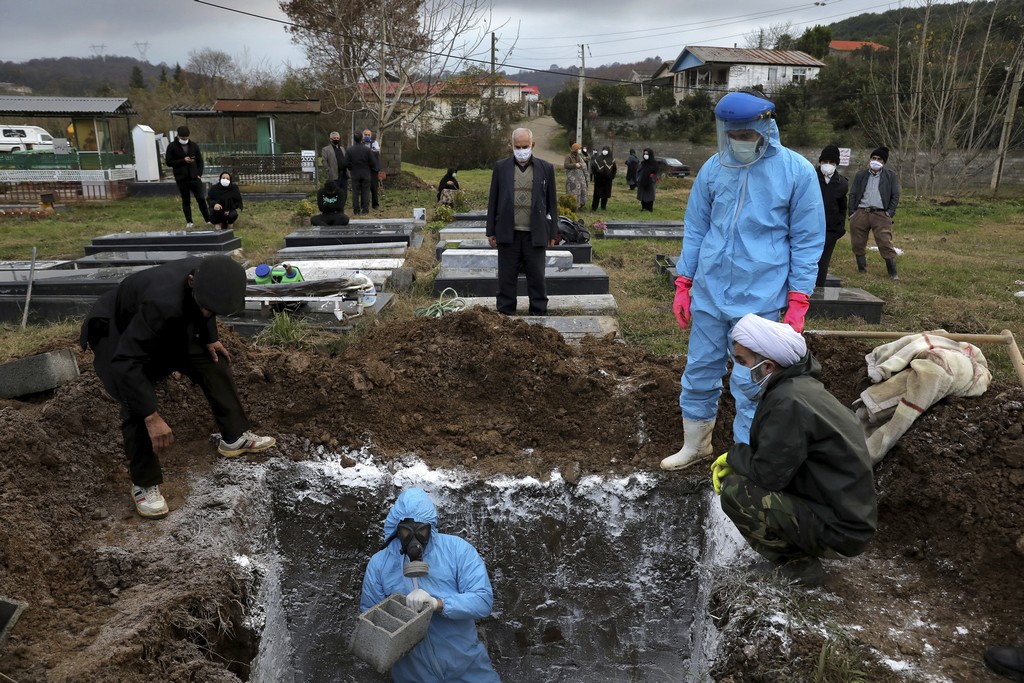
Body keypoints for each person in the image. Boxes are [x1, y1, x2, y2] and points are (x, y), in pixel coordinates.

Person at [662, 90, 825, 471]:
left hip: (761, 294)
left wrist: (799, 298)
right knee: (700, 367)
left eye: (746, 135)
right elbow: (697, 228)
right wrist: (684, 282)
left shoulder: (796, 172)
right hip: (710, 290)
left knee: (752, 381)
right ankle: (697, 444)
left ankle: (744, 458)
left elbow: (807, 240)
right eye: (732, 135)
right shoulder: (713, 169)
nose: (739, 142)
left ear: (766, 128)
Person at [79, 255, 276, 520]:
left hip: (165, 321)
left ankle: (234, 437)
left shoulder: (208, 276)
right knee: (134, 398)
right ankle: (144, 483)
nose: (209, 313)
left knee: (213, 362)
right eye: (206, 308)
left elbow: (207, 308)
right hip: (116, 330)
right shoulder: (162, 302)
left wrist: (210, 337)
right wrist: (151, 415)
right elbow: (127, 361)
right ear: (192, 282)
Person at [710, 314, 877, 587]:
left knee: (736, 492)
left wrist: (734, 457)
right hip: (843, 516)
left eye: (742, 361)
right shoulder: (799, 388)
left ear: (768, 366)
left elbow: (768, 476)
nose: (737, 368)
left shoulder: (788, 402)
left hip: (839, 529)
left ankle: (798, 567)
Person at [360, 488, 500, 682]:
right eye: (406, 531)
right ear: (396, 529)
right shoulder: (380, 564)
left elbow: (483, 600)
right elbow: (370, 620)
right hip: (414, 676)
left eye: (422, 530)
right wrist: (396, 619)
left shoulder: (457, 551)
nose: (414, 539)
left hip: (468, 671)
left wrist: (438, 604)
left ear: (431, 528)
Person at [486, 127, 558, 316]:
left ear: (532, 145)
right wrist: (490, 231)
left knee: (537, 278)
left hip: (535, 234)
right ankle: (505, 313)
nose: (521, 150)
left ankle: (539, 313)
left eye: (525, 146)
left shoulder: (546, 168)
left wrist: (552, 233)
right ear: (512, 146)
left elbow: (552, 203)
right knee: (506, 278)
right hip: (508, 233)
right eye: (517, 146)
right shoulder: (501, 167)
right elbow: (493, 200)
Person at [848, 146, 901, 280]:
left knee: (885, 242)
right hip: (861, 212)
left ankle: (893, 273)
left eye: (879, 159)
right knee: (858, 243)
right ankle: (862, 270)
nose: (875, 161)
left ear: (883, 162)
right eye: (873, 158)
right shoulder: (861, 175)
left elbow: (895, 195)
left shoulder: (890, 176)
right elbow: (853, 193)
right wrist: (852, 213)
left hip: (881, 214)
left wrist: (889, 213)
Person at [815, 145, 848, 287]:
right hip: (810, 228)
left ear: (836, 165)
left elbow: (843, 207)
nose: (828, 165)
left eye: (832, 163)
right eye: (825, 162)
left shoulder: (842, 183)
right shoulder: (810, 177)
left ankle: (819, 291)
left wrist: (839, 228)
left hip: (830, 231)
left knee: (823, 263)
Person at [164, 125, 210, 228]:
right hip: (182, 178)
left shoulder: (194, 146)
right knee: (186, 200)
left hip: (194, 177)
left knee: (201, 199)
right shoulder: (172, 146)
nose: (185, 140)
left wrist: (199, 174)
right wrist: (183, 160)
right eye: (183, 138)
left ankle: (208, 219)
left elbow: (200, 160)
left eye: (186, 138)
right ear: (178, 136)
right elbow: (168, 162)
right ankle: (189, 221)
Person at [347, 131, 379, 215]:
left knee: (355, 193)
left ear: (354, 139)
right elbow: (373, 163)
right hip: (366, 173)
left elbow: (346, 163)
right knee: (365, 192)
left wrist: (351, 168)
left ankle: (356, 210)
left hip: (355, 173)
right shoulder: (367, 150)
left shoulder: (350, 150)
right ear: (362, 138)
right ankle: (365, 210)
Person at [320, 131, 349, 210]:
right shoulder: (326, 149)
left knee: (344, 193)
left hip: (344, 175)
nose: (336, 139)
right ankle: (334, 208)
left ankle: (341, 207)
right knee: (335, 192)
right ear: (330, 139)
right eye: (334, 138)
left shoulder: (342, 149)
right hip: (334, 175)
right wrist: (328, 170)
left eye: (337, 138)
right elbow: (324, 161)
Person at [590, 146, 617, 211]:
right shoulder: (598, 159)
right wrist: (595, 174)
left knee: (605, 194)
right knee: (597, 194)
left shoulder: (612, 160)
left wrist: (612, 176)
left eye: (606, 150)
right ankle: (594, 208)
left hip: (608, 180)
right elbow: (593, 166)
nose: (605, 151)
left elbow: (614, 169)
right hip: (599, 180)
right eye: (603, 150)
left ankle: (603, 207)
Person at [563, 142, 588, 211]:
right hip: (572, 179)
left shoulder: (578, 156)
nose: (579, 150)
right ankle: (572, 206)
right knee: (572, 192)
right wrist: (575, 165)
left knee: (580, 191)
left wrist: (580, 165)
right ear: (575, 149)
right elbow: (566, 165)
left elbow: (583, 164)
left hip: (579, 178)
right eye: (578, 149)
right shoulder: (568, 156)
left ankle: (579, 205)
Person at [363, 129, 382, 210]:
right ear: (363, 135)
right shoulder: (360, 144)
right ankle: (365, 204)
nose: (367, 136)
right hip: (364, 168)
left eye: (368, 135)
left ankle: (375, 204)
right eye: (365, 135)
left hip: (373, 169)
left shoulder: (374, 143)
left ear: (370, 135)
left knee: (374, 187)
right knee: (364, 188)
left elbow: (377, 152)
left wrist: (368, 152)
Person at [635, 147, 658, 212]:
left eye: (647, 154)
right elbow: (638, 171)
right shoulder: (642, 163)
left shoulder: (654, 164)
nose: (645, 155)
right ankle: (643, 207)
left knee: (650, 196)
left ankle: (649, 208)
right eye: (644, 153)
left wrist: (652, 178)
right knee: (643, 195)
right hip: (642, 182)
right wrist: (638, 179)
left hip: (650, 183)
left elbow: (656, 173)